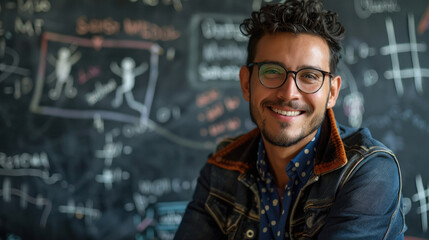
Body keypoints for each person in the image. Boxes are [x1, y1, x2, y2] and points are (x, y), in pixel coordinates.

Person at [174, 0, 406, 239]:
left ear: (332, 93)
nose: (289, 93)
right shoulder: (222, 167)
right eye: (272, 72)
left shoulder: (368, 170)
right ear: (246, 84)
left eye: (309, 76)